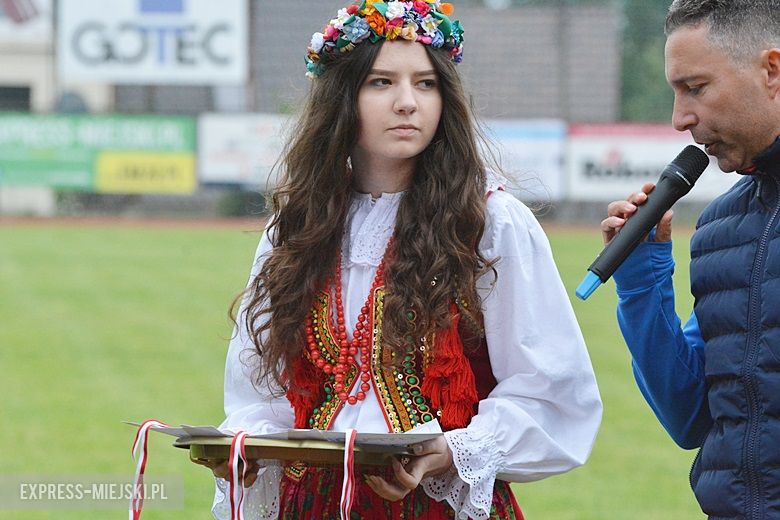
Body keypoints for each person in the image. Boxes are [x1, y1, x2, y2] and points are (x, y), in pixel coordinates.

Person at [202, 1, 602, 518]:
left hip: (432, 506)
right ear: (342, 98)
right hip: (313, 504)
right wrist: (245, 448)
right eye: (381, 82)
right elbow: (260, 391)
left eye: (426, 83)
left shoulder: (490, 222)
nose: (408, 103)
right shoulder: (298, 227)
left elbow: (552, 393)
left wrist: (452, 453)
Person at [601, 1, 780, 517]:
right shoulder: (720, 229)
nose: (680, 119)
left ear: (771, 71)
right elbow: (688, 416)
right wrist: (642, 281)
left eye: (695, 88)